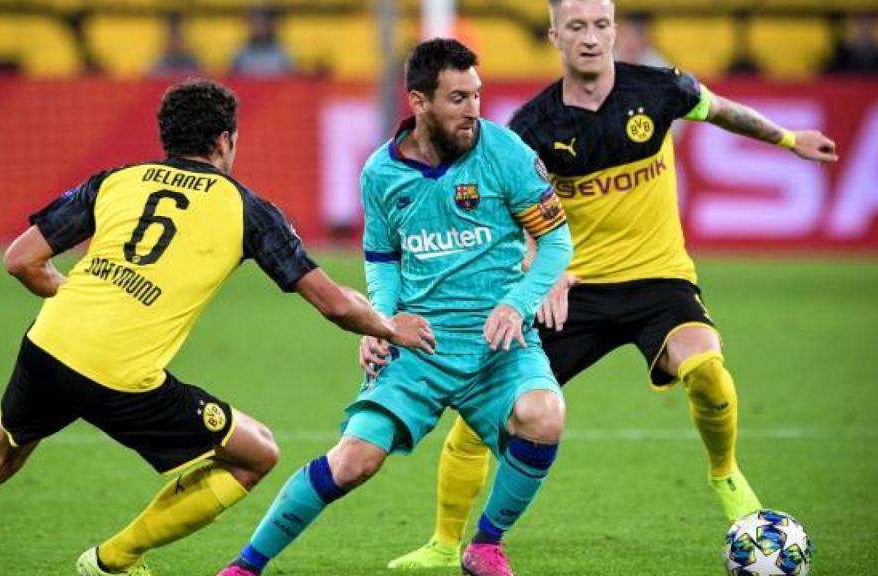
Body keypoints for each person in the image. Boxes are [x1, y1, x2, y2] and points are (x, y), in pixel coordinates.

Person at [0, 78, 435, 576]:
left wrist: (84, 297)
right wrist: (392, 328)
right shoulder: (246, 209)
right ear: (224, 141)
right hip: (122, 376)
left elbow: (20, 260)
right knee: (257, 453)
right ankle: (114, 560)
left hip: (49, 342)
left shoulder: (117, 180)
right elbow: (333, 303)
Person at [387, 0, 839, 570]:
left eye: (601, 25)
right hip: (574, 290)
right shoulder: (534, 127)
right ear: (555, 36)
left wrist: (788, 139)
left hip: (658, 279)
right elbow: (510, 215)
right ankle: (444, 543)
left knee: (706, 367)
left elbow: (722, 111)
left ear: (614, 30)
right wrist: (540, 269)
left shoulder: (660, 88)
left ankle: (724, 472)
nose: (591, 37)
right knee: (481, 411)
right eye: (576, 26)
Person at [217, 38, 573, 576]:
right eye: (458, 98)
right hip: (417, 346)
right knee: (353, 462)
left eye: (476, 95)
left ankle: (486, 545)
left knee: (544, 414)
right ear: (419, 101)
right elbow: (382, 259)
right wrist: (380, 323)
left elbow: (557, 241)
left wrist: (516, 303)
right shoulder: (380, 174)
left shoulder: (507, 153)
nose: (473, 109)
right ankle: (245, 566)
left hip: (497, 346)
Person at [230, 6, 294, 78]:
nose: (259, 27)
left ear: (270, 25)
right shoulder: (240, 53)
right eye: (255, 23)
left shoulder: (283, 53)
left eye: (263, 23)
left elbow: (292, 80)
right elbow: (231, 79)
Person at [152, 12, 201, 76]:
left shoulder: (191, 63)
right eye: (171, 35)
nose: (175, 41)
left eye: (178, 36)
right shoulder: (160, 64)